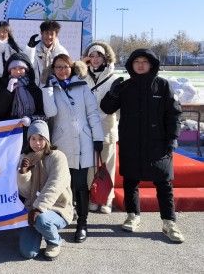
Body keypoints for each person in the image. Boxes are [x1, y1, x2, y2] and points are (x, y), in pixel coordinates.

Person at [100, 49, 185, 243]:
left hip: (159, 144)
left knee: (164, 184)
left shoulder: (162, 86)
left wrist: (173, 137)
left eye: (144, 61)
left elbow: (174, 114)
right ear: (131, 64)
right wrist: (113, 94)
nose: (140, 65)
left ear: (152, 64)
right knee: (131, 181)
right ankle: (133, 215)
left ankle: (169, 222)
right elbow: (106, 108)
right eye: (136, 61)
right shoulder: (126, 86)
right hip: (131, 143)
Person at [41, 54, 104, 243]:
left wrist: (98, 137)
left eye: (65, 66)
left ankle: (82, 224)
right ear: (53, 69)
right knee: (62, 184)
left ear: (72, 67)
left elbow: (92, 112)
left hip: (84, 141)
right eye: (58, 67)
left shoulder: (82, 86)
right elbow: (50, 112)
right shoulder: (51, 87)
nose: (62, 70)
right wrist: (48, 89)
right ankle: (63, 216)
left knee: (80, 185)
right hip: (62, 142)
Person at [18, 120, 73, 261]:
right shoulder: (26, 158)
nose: (37, 143)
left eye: (41, 138)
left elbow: (54, 186)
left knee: (42, 221)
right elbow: (25, 193)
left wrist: (38, 208)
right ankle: (40, 231)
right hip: (33, 210)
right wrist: (23, 174)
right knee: (27, 252)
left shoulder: (57, 157)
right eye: (33, 139)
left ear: (47, 139)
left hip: (57, 208)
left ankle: (54, 241)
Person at [81, 41, 119, 214]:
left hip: (106, 126)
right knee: (90, 164)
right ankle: (94, 196)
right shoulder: (82, 76)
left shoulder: (113, 78)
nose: (95, 59)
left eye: (99, 56)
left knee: (107, 163)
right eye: (92, 55)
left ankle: (107, 199)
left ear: (105, 58)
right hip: (87, 126)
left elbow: (118, 106)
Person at [0, 52, 46, 142]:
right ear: (9, 70)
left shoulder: (34, 89)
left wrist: (30, 119)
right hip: (7, 136)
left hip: (31, 136)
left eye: (21, 68)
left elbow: (42, 115)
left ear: (27, 70)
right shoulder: (2, 86)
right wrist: (8, 92)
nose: (18, 71)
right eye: (14, 68)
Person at [24, 20, 69, 86]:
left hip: (55, 89)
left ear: (56, 35)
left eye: (51, 34)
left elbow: (66, 71)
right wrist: (30, 48)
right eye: (46, 33)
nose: (49, 37)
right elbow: (26, 65)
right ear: (41, 33)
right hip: (35, 88)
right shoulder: (34, 48)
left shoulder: (61, 52)